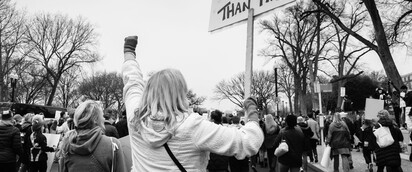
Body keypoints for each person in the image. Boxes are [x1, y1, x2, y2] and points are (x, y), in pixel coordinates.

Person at [122, 36, 263, 171]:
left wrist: (129, 53)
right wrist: (252, 111)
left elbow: (132, 82)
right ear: (179, 94)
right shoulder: (191, 126)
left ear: (148, 92)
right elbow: (248, 142)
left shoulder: (136, 118)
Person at [58, 100, 127, 172]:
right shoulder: (112, 144)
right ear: (95, 119)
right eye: (101, 116)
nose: (103, 119)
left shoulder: (67, 144)